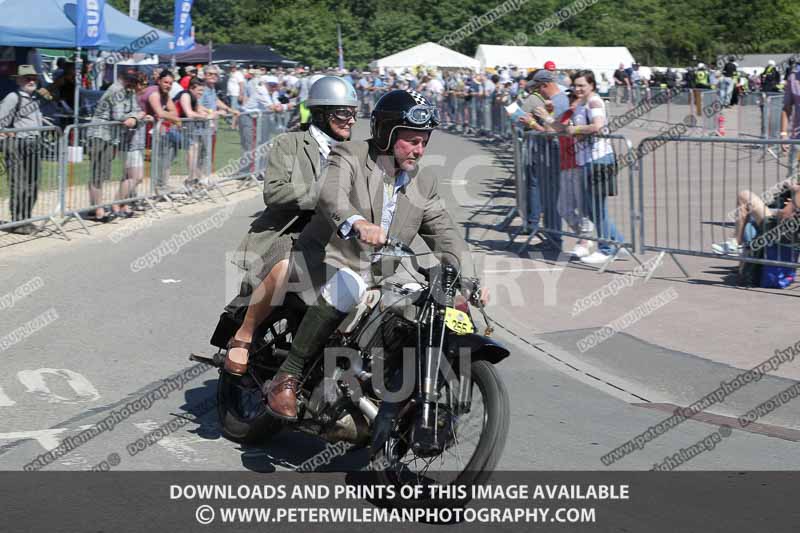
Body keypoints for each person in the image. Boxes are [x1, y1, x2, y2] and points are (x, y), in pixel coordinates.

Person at [263, 89, 489, 420]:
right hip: (322, 264)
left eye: (424, 142)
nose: (419, 149)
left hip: (377, 278)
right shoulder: (350, 154)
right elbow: (331, 195)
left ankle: (381, 391)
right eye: (411, 140)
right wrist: (357, 223)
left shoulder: (422, 181)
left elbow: (445, 232)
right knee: (351, 282)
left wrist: (468, 277)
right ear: (385, 133)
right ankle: (288, 375)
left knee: (418, 302)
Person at [213, 77, 359, 376]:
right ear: (321, 113)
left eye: (353, 113)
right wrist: (324, 195)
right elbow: (274, 192)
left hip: (334, 236)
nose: (351, 120)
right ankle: (244, 334)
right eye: (343, 113)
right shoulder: (289, 143)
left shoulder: (354, 152)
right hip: (291, 231)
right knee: (283, 266)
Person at [567, 70, 628, 265]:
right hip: (587, 160)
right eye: (575, 85)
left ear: (591, 86)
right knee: (590, 207)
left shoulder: (594, 102)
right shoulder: (581, 104)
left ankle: (607, 248)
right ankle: (618, 242)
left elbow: (598, 126)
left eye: (582, 85)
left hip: (599, 160)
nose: (577, 89)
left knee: (596, 208)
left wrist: (575, 129)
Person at [517, 69, 569, 249]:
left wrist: (533, 124)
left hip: (554, 153)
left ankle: (556, 239)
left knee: (553, 199)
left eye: (539, 88)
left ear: (546, 84)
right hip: (550, 153)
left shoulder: (559, 101)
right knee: (549, 198)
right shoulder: (554, 101)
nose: (539, 92)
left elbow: (553, 132)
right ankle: (553, 237)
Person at [87, 69, 143, 222]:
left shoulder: (128, 91)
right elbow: (119, 116)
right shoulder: (116, 89)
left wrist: (135, 116)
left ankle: (97, 208)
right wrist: (136, 116)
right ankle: (97, 210)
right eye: (131, 79)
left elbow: (135, 110)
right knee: (97, 174)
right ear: (123, 77)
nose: (133, 83)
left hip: (111, 136)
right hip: (100, 134)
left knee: (103, 173)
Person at [0, 65, 45, 234]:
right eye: (27, 78)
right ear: (18, 80)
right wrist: (6, 136)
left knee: (33, 184)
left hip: (34, 144)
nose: (31, 81)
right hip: (17, 145)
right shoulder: (13, 97)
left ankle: (27, 218)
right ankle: (18, 221)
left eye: (33, 78)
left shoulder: (35, 99)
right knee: (18, 184)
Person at [139, 69, 182, 192]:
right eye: (166, 82)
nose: (168, 86)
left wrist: (166, 115)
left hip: (152, 129)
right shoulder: (154, 93)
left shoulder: (165, 95)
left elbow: (174, 111)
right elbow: (160, 112)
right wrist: (174, 119)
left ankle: (161, 185)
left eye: (170, 83)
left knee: (165, 157)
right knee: (137, 167)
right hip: (138, 129)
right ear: (158, 81)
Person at [226, 63, 246, 128]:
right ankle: (236, 125)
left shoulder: (238, 74)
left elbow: (242, 84)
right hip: (231, 94)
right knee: (235, 110)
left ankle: (233, 125)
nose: (232, 68)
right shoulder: (232, 74)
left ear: (235, 67)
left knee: (234, 110)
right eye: (231, 67)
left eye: (233, 67)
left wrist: (241, 94)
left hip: (236, 94)